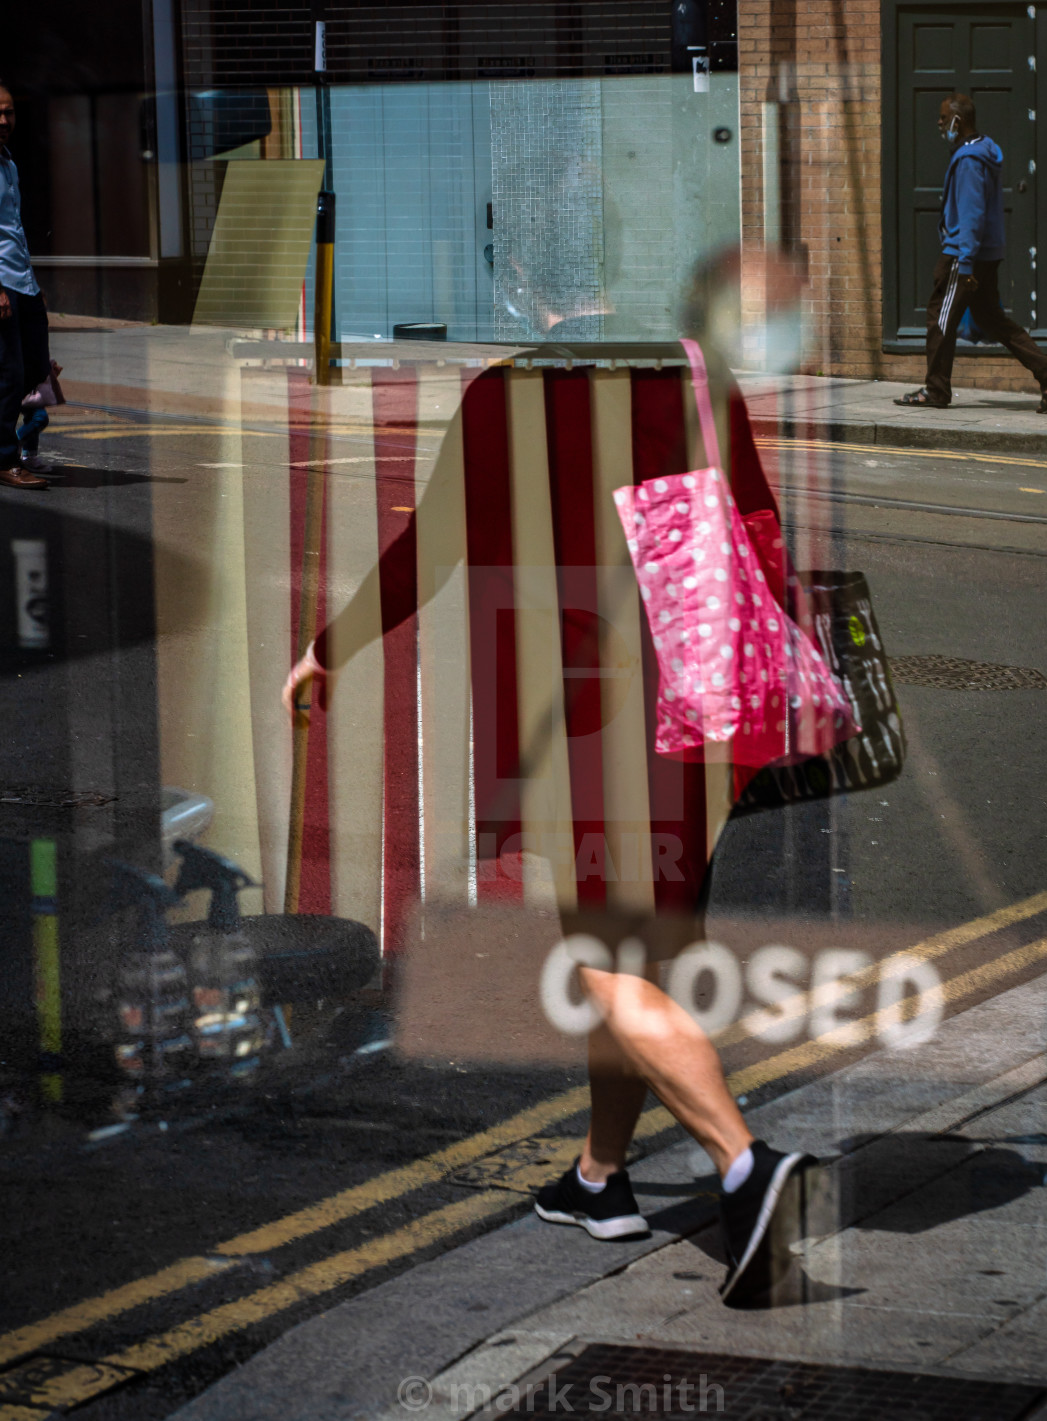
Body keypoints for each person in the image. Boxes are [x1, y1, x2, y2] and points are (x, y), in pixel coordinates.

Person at [283, 250, 816, 1305]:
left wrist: (327, 648)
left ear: (526, 291)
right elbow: (761, 537)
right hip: (701, 708)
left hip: (581, 718)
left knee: (609, 965)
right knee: (641, 951)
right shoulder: (695, 378)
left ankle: (745, 1168)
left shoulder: (500, 399)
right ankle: (598, 1176)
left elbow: (424, 552)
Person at [895, 93, 1047, 413]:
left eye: (943, 118)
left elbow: (973, 215)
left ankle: (936, 389)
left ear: (958, 122)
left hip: (963, 256)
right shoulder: (983, 151)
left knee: (940, 319)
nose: (939, 122)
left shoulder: (969, 160)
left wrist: (965, 263)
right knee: (992, 319)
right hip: (983, 254)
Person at [0, 81, 50, 489]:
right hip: (2, 285)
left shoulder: (9, 164)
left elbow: (14, 230)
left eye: (9, 112)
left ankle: (17, 446)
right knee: (9, 376)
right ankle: (6, 459)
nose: (3, 120)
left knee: (36, 370)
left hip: (23, 282)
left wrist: (33, 283)